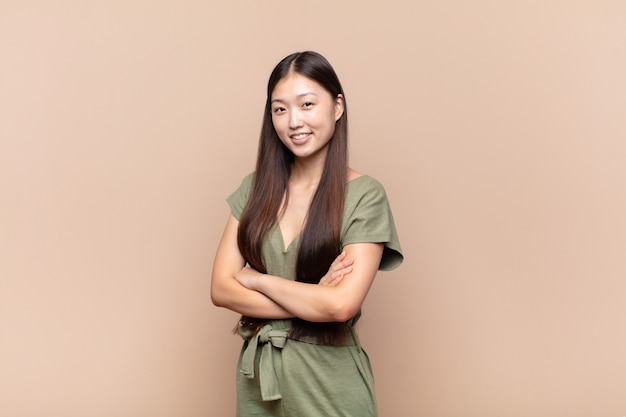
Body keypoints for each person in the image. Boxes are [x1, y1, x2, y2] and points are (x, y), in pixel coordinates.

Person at [211, 50, 403, 417]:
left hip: (329, 383)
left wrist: (256, 280)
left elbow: (341, 305)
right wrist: (313, 299)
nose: (293, 121)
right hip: (258, 382)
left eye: (307, 104)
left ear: (337, 106)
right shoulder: (255, 189)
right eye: (280, 109)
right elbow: (220, 289)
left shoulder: (365, 195)